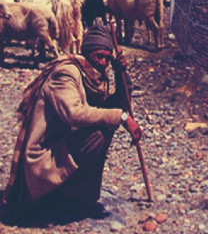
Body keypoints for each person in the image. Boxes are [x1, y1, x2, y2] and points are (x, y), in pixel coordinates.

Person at [1, 24, 142, 223]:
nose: (103, 63)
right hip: (43, 157)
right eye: (98, 56)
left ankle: (74, 194)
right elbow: (74, 114)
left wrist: (120, 75)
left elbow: (116, 105)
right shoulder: (66, 74)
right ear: (87, 53)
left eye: (107, 58)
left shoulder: (92, 77)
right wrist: (122, 117)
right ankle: (70, 197)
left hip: (59, 147)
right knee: (100, 131)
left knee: (105, 122)